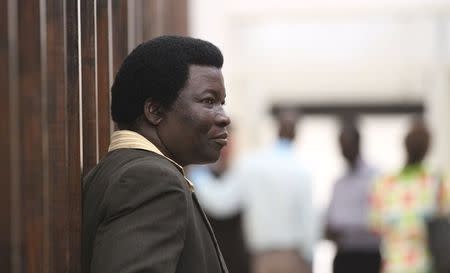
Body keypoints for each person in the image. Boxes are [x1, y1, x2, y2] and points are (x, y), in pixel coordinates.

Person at [82, 36, 231, 273]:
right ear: (155, 111)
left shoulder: (121, 171)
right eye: (209, 101)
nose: (224, 117)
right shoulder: (152, 180)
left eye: (222, 102)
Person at [191, 108, 314, 273]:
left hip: (262, 259)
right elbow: (308, 219)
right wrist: (309, 258)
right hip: (293, 257)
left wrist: (197, 174)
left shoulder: (252, 164)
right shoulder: (302, 169)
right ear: (296, 133)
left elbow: (220, 202)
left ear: (276, 129)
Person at [369, 118, 450, 273]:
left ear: (404, 145)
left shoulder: (384, 183)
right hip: (427, 264)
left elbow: (375, 225)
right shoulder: (438, 181)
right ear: (428, 147)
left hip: (394, 265)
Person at [325, 118, 381, 273]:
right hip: (344, 258)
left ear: (358, 143)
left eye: (346, 145)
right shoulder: (338, 183)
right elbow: (330, 224)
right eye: (341, 146)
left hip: (368, 257)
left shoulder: (376, 178)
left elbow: (379, 222)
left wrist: (351, 231)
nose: (343, 150)